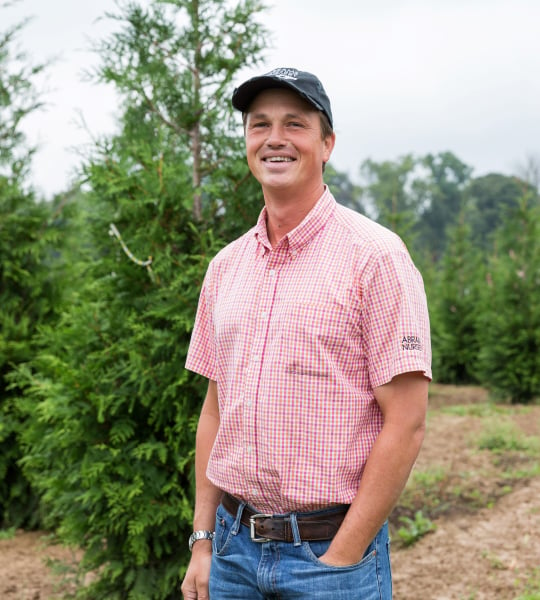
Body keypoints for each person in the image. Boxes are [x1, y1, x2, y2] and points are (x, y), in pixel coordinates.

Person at [181, 67, 432, 600]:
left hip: (331, 558)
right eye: (260, 124)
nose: (275, 138)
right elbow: (214, 411)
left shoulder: (377, 259)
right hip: (231, 555)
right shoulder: (225, 268)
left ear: (327, 144)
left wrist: (342, 555)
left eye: (294, 124)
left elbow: (406, 423)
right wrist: (202, 541)